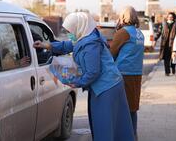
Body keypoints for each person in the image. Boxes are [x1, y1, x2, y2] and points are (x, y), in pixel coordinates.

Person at [33, 12, 134, 141]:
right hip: (110, 84)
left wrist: (76, 82)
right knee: (115, 124)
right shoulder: (86, 36)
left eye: (70, 30)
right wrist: (48, 45)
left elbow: (93, 72)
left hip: (106, 88)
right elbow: (68, 45)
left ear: (79, 27)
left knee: (104, 125)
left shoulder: (90, 45)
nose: (69, 33)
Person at [110, 6, 144, 138]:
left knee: (121, 108)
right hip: (137, 74)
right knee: (132, 107)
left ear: (123, 16)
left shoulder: (123, 32)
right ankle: (133, 134)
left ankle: (125, 136)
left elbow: (111, 53)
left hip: (123, 74)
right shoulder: (139, 33)